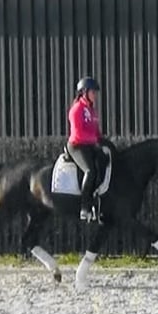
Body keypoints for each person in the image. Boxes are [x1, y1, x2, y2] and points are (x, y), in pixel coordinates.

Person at [66, 76, 104, 221]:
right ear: (84, 92)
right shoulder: (76, 110)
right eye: (93, 92)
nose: (95, 95)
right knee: (90, 170)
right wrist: (95, 140)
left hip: (89, 145)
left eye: (96, 93)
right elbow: (79, 133)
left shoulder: (91, 111)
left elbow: (95, 131)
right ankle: (84, 207)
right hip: (77, 146)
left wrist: (102, 140)